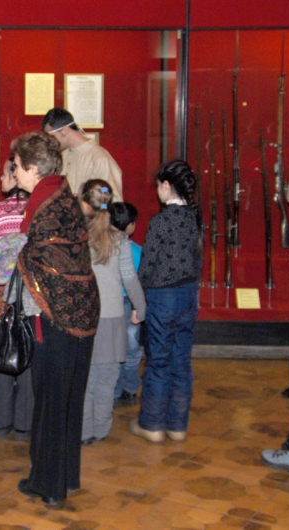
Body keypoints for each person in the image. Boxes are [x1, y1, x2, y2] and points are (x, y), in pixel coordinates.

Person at [10, 131, 100, 506]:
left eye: (17, 166)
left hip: (56, 316)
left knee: (49, 399)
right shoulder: (64, 196)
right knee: (69, 398)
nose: (14, 172)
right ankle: (67, 475)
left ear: (33, 169)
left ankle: (47, 484)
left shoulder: (41, 206)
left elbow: (24, 254)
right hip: (83, 309)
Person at [130, 160, 202, 444]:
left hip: (162, 296)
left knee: (158, 361)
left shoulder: (160, 221)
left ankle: (152, 424)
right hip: (188, 294)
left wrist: (138, 303)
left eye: (159, 185)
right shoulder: (194, 218)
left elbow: (147, 265)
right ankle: (177, 425)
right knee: (181, 360)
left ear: (167, 186)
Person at [78, 181, 145, 445]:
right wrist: (140, 308)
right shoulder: (120, 241)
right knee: (107, 378)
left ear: (85, 204)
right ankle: (101, 428)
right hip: (112, 317)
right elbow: (130, 279)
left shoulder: (77, 236)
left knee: (84, 378)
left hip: (82, 317)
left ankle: (83, 431)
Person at [0, 156, 32, 440]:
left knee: (2, 355)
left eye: (3, 174)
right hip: (33, 299)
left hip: (1, 299)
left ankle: (0, 421)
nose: (1, 179)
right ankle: (25, 424)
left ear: (15, 176)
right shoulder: (39, 210)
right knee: (29, 358)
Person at [42, 107, 123, 201]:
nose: (50, 141)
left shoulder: (100, 159)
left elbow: (113, 202)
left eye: (51, 136)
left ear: (64, 130)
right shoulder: (62, 157)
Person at [109, 202, 144, 408]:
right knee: (131, 349)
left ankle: (117, 390)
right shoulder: (137, 250)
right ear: (130, 225)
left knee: (115, 349)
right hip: (130, 302)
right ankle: (129, 388)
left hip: (114, 302)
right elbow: (136, 281)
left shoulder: (104, 247)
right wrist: (139, 307)